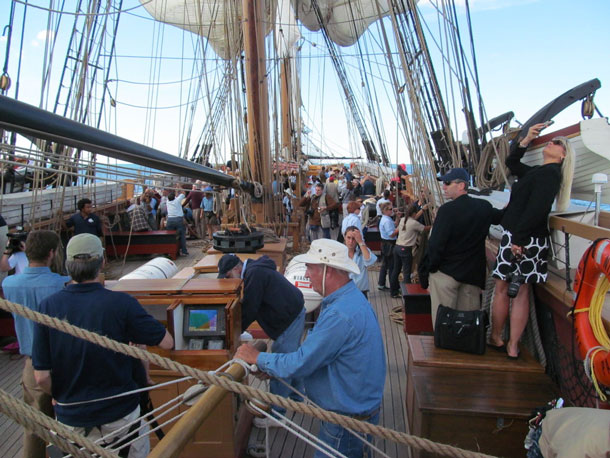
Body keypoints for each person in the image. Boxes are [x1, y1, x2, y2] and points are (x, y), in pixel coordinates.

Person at [234, 239, 385, 458]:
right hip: (356, 416)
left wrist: (258, 357)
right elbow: (319, 358)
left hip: (345, 424)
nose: (305, 275)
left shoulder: (339, 315)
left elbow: (301, 362)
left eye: (310, 268)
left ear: (328, 271)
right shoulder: (349, 302)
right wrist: (270, 368)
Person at [32, 233, 174, 457]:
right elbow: (167, 342)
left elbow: (41, 378)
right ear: (102, 262)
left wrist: (61, 395)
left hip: (72, 419)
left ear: (68, 265)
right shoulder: (122, 304)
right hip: (121, 418)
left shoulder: (47, 307)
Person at [489, 124, 574, 359]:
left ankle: (502, 339)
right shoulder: (540, 172)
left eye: (557, 143)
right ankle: (509, 344)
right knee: (519, 290)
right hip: (526, 237)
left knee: (504, 288)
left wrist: (518, 239)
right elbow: (513, 164)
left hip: (522, 237)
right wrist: (526, 139)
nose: (551, 143)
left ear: (563, 154)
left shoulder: (550, 175)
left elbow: (537, 209)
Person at [2, 230, 70, 458]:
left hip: (33, 365)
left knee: (34, 428)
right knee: (74, 424)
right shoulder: (63, 285)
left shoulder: (10, 284)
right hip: (65, 364)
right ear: (52, 253)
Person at [217, 253, 305, 425]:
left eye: (227, 276)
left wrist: (233, 333)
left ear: (236, 269)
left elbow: (250, 308)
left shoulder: (254, 275)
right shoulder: (254, 271)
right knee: (292, 357)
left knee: (280, 364)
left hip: (289, 320)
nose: (228, 280)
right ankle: (296, 398)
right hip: (294, 312)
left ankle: (277, 415)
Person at [426, 168, 503, 325]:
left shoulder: (446, 211)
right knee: (467, 324)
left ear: (461, 185)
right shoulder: (484, 207)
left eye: (447, 183)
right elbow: (500, 217)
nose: (444, 187)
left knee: (444, 323)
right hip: (471, 276)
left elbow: (435, 245)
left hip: (446, 275)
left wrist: (429, 270)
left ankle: (445, 347)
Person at [390, 204, 429, 296]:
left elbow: (412, 221)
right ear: (414, 213)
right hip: (405, 250)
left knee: (396, 270)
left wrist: (422, 210)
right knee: (407, 273)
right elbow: (425, 229)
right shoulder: (414, 223)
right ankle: (407, 294)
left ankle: (393, 292)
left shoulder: (403, 219)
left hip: (397, 248)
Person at [344, 226, 377, 298]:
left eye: (354, 239)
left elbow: (369, 260)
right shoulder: (339, 253)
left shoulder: (362, 251)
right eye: (348, 238)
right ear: (344, 237)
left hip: (361, 292)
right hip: (345, 292)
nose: (351, 241)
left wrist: (361, 242)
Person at [377, 203, 399, 292]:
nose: (392, 210)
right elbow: (391, 234)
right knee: (392, 267)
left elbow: (394, 224)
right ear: (385, 211)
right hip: (390, 245)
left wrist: (397, 217)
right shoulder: (386, 221)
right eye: (390, 209)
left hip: (385, 245)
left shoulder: (386, 219)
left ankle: (381, 284)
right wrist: (400, 228)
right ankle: (394, 288)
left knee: (385, 265)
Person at [165, 190, 189, 256]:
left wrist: (176, 190)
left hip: (170, 220)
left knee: (170, 237)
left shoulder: (167, 201)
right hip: (178, 219)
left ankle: (170, 251)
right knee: (182, 236)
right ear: (175, 197)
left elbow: (175, 196)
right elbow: (184, 193)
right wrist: (179, 187)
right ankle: (184, 251)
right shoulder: (177, 200)